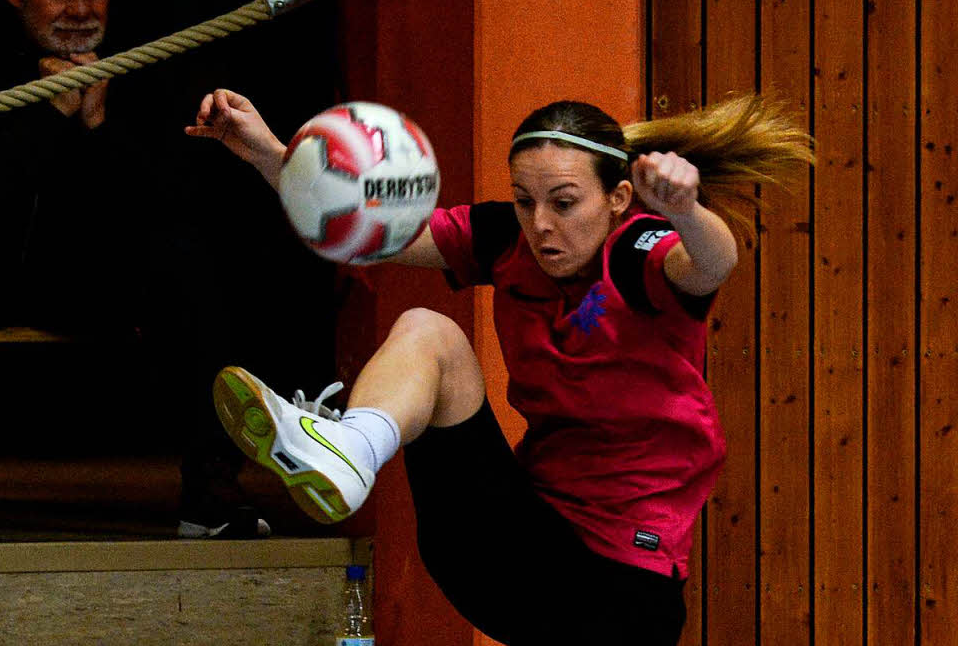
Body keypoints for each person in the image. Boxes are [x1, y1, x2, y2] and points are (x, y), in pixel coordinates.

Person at [186, 89, 811, 644]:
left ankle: (345, 444)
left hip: (619, 592)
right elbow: (372, 230)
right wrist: (272, 154)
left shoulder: (643, 252)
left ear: (619, 198)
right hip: (511, 552)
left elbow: (713, 263)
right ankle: (350, 448)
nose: (541, 225)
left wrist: (685, 209)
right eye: (524, 201)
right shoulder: (507, 240)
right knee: (429, 332)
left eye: (564, 203)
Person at [0, 0, 286, 543]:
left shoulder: (144, 59)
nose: (80, 9)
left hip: (98, 278)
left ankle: (209, 489)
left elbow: (170, 194)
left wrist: (97, 128)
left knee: (188, 249)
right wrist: (46, 118)